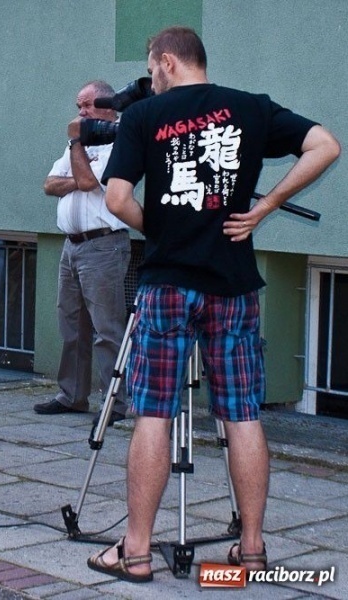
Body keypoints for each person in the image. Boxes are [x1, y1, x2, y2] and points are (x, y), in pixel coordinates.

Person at [88, 27, 340, 583]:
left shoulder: (144, 117)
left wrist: (162, 231)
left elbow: (115, 198)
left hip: (168, 285)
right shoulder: (251, 108)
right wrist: (265, 207)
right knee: (243, 414)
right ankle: (251, 551)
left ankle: (135, 551)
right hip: (232, 286)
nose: (150, 78)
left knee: (154, 412)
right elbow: (327, 144)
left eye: (152, 68)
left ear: (169, 62)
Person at [33, 80, 130, 426]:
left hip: (103, 245)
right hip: (71, 245)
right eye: (78, 106)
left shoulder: (120, 138)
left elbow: (91, 183)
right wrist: (77, 171)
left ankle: (115, 405)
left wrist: (76, 147)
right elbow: (49, 184)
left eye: (87, 105)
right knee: (71, 325)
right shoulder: (77, 144)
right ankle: (72, 396)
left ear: (108, 106)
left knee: (107, 329)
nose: (80, 113)